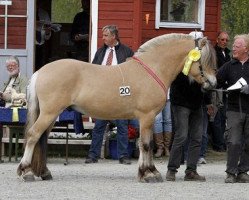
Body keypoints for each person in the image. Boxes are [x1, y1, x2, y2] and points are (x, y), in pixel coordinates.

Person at [85, 25, 134, 165]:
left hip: (120, 93)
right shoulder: (100, 52)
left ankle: (123, 156)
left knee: (122, 125)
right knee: (99, 125)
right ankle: (93, 155)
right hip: (103, 93)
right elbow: (93, 70)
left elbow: (133, 72)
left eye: (106, 35)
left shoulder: (127, 51)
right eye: (103, 35)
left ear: (114, 36)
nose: (103, 38)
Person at [216, 34, 249, 183]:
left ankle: (243, 171)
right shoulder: (229, 65)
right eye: (234, 45)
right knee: (233, 141)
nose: (233, 48)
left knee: (248, 142)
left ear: (246, 49)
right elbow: (216, 81)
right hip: (234, 109)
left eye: (237, 46)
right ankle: (231, 172)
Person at [166, 72, 206, 182]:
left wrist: (208, 101)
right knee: (181, 136)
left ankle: (191, 171)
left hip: (197, 103)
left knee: (197, 138)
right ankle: (172, 169)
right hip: (180, 102)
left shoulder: (200, 60)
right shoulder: (181, 59)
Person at [209, 31, 231, 152]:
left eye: (226, 40)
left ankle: (221, 142)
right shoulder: (213, 53)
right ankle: (218, 144)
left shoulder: (227, 54)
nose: (224, 42)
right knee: (215, 117)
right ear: (217, 40)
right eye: (222, 40)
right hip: (216, 89)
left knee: (223, 117)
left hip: (225, 89)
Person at [153, 90, 172, 158]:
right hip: (155, 96)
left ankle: (167, 147)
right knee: (157, 120)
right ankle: (160, 147)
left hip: (168, 95)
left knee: (168, 120)